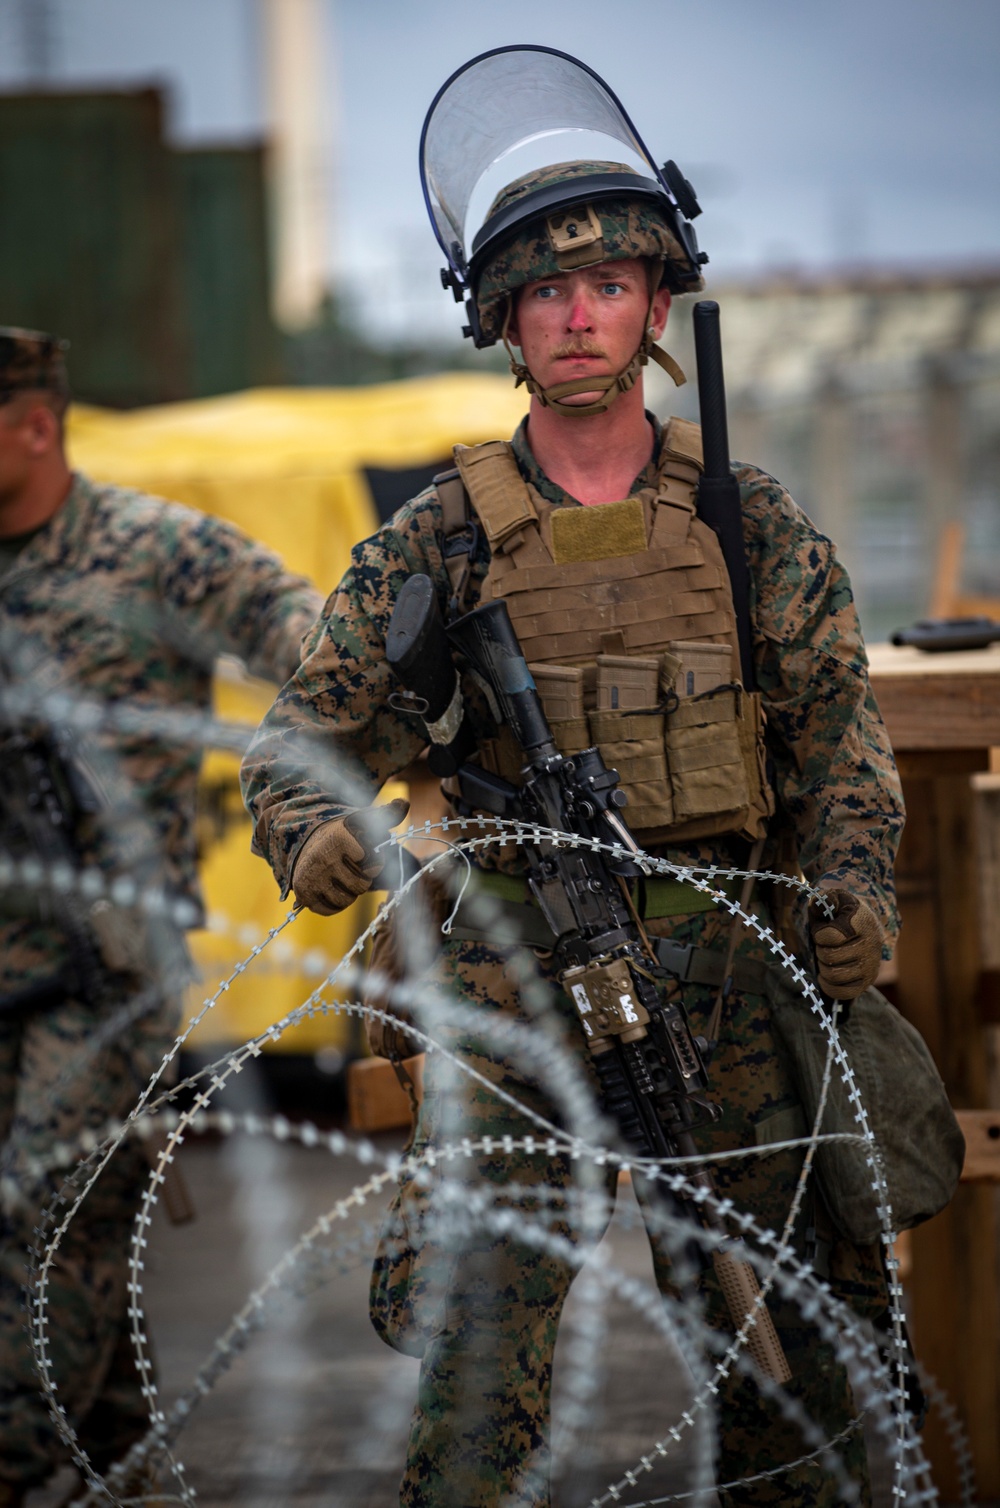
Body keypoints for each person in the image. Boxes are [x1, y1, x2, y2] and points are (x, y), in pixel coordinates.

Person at [241, 47, 904, 1508]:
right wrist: (319, 840)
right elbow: (302, 744)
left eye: (609, 284)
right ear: (504, 321)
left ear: (659, 305)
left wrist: (852, 889)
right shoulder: (442, 542)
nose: (580, 311)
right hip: (520, 985)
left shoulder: (746, 520)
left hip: (726, 966)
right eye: (548, 291)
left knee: (814, 1327)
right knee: (487, 1343)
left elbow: (835, 735)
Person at [0, 326, 324, 1506]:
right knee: (80, 1264)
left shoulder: (153, 553)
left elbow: (309, 638)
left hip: (102, 973)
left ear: (36, 425)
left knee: (44, 1243)